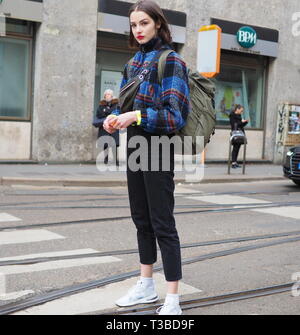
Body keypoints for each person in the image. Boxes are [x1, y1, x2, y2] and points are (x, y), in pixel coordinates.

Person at [103, 0, 190, 315]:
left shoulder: (171, 61)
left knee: (162, 222)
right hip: (135, 147)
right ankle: (146, 285)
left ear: (158, 24)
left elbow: (174, 117)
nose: (138, 30)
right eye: (133, 24)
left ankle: (173, 299)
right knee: (141, 219)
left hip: (158, 148)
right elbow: (125, 108)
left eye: (144, 23)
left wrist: (135, 116)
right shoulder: (133, 63)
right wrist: (114, 118)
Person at [93, 89, 119, 165]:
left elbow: (115, 113)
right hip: (104, 127)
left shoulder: (116, 104)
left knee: (114, 144)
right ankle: (106, 159)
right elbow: (99, 114)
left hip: (114, 127)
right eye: (106, 94)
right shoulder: (101, 105)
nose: (108, 96)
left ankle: (115, 160)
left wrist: (106, 111)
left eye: (109, 94)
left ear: (112, 96)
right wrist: (108, 112)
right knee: (105, 144)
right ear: (104, 96)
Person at [229, 104, 248, 168]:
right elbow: (235, 124)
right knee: (235, 148)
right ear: (237, 109)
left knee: (237, 148)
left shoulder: (239, 116)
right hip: (235, 134)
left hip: (240, 133)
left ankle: (235, 162)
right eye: (241, 110)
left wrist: (245, 122)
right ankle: (233, 163)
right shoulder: (232, 116)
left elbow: (241, 125)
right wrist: (242, 122)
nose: (241, 112)